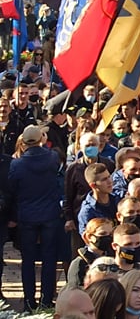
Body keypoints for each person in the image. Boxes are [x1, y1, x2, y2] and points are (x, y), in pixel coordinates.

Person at [8, 124, 61, 310]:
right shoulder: (53, 158)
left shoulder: (17, 164)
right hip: (49, 214)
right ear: (41, 139)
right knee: (49, 259)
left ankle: (29, 302)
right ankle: (46, 300)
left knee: (28, 260)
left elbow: (12, 189)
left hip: (27, 215)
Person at [67, 218, 117, 290]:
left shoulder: (113, 258)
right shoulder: (79, 263)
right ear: (89, 237)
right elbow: (74, 289)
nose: (108, 237)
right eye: (102, 234)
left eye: (110, 234)